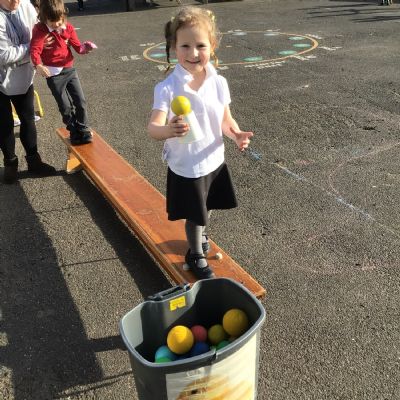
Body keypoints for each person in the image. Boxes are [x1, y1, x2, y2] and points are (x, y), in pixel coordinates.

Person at [147, 6, 253, 279]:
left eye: (201, 45)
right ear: (173, 47)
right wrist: (168, 129)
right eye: (185, 46)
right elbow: (153, 129)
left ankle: (201, 236)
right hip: (188, 165)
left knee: (206, 205)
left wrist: (236, 134)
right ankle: (195, 254)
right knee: (196, 214)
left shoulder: (218, 82)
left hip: (213, 158)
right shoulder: (167, 88)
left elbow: (225, 120)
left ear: (212, 45)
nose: (193, 53)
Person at [0, 0, 56, 184]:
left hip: (23, 75)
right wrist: (33, 47)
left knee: (28, 118)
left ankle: (34, 161)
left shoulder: (25, 5)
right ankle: (10, 163)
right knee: (4, 123)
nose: (16, 1)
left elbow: (41, 31)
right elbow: (4, 55)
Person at [30, 0, 96, 145]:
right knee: (65, 106)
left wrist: (86, 48)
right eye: (52, 22)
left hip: (69, 69)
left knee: (80, 101)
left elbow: (78, 47)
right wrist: (38, 65)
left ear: (63, 16)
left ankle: (84, 129)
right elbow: (35, 50)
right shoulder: (40, 30)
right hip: (53, 74)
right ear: (44, 18)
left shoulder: (68, 28)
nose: (56, 24)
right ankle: (74, 131)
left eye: (59, 21)